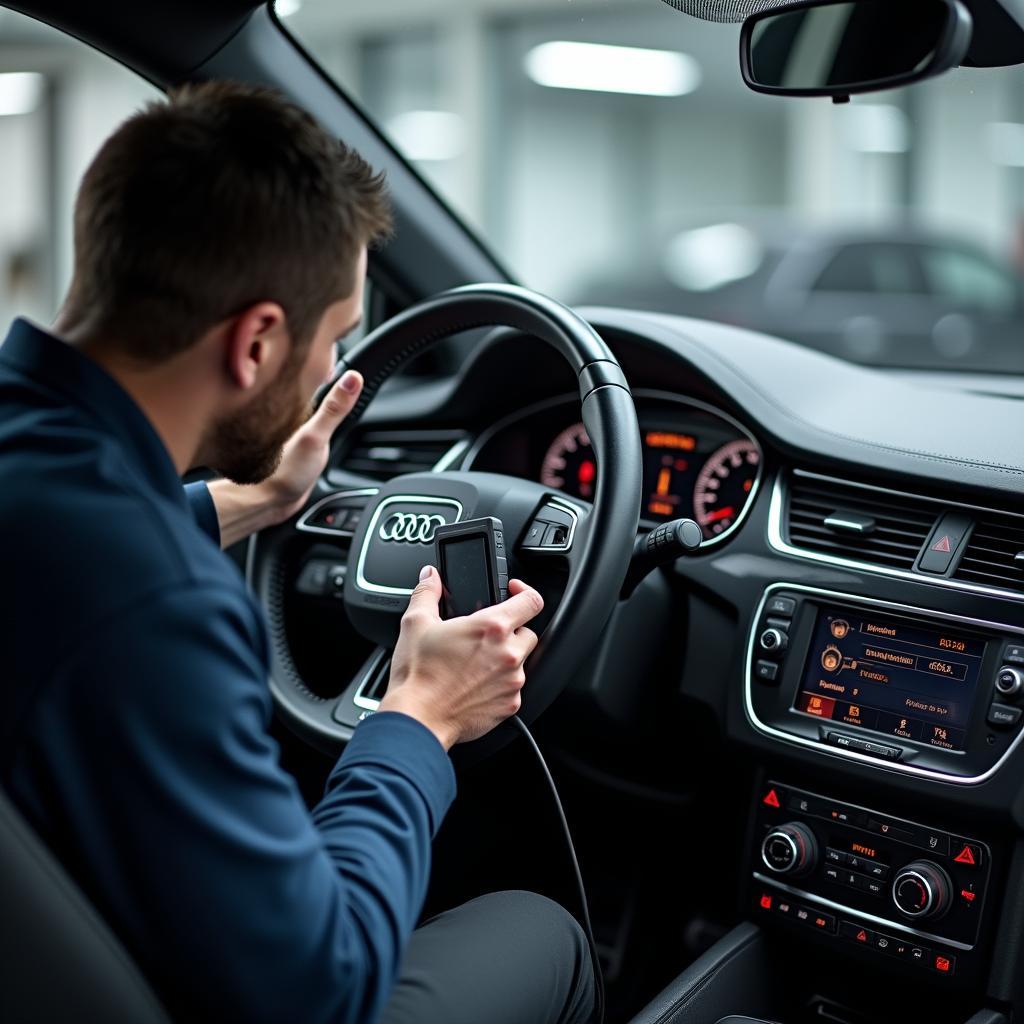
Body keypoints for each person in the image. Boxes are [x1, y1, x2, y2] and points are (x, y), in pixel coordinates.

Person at [0, 81, 595, 1024]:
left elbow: (58, 536)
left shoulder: (37, 458)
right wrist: (418, 719)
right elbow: (320, 990)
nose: (331, 369)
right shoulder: (163, 606)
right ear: (259, 343)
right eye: (336, 337)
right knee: (545, 929)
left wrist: (254, 503)